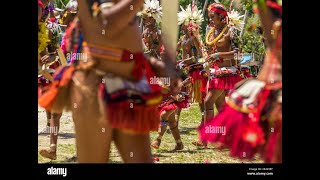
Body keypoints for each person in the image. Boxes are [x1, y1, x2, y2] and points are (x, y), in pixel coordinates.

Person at [38, 0, 180, 163]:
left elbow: (121, 44)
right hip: (94, 93)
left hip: (130, 90)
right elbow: (107, 25)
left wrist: (156, 64)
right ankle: (53, 147)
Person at [198, 0, 282, 163]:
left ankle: (210, 138)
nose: (210, 20)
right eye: (209, 17)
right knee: (220, 106)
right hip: (216, 73)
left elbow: (237, 54)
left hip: (229, 74)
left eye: (212, 17)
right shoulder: (211, 31)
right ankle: (222, 137)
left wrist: (219, 56)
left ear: (222, 18)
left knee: (210, 102)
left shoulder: (232, 32)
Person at [38, 0, 64, 160]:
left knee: (55, 111)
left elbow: (59, 51)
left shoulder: (52, 28)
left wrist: (53, 55)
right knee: (52, 110)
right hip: (44, 72)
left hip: (56, 71)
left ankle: (53, 148)